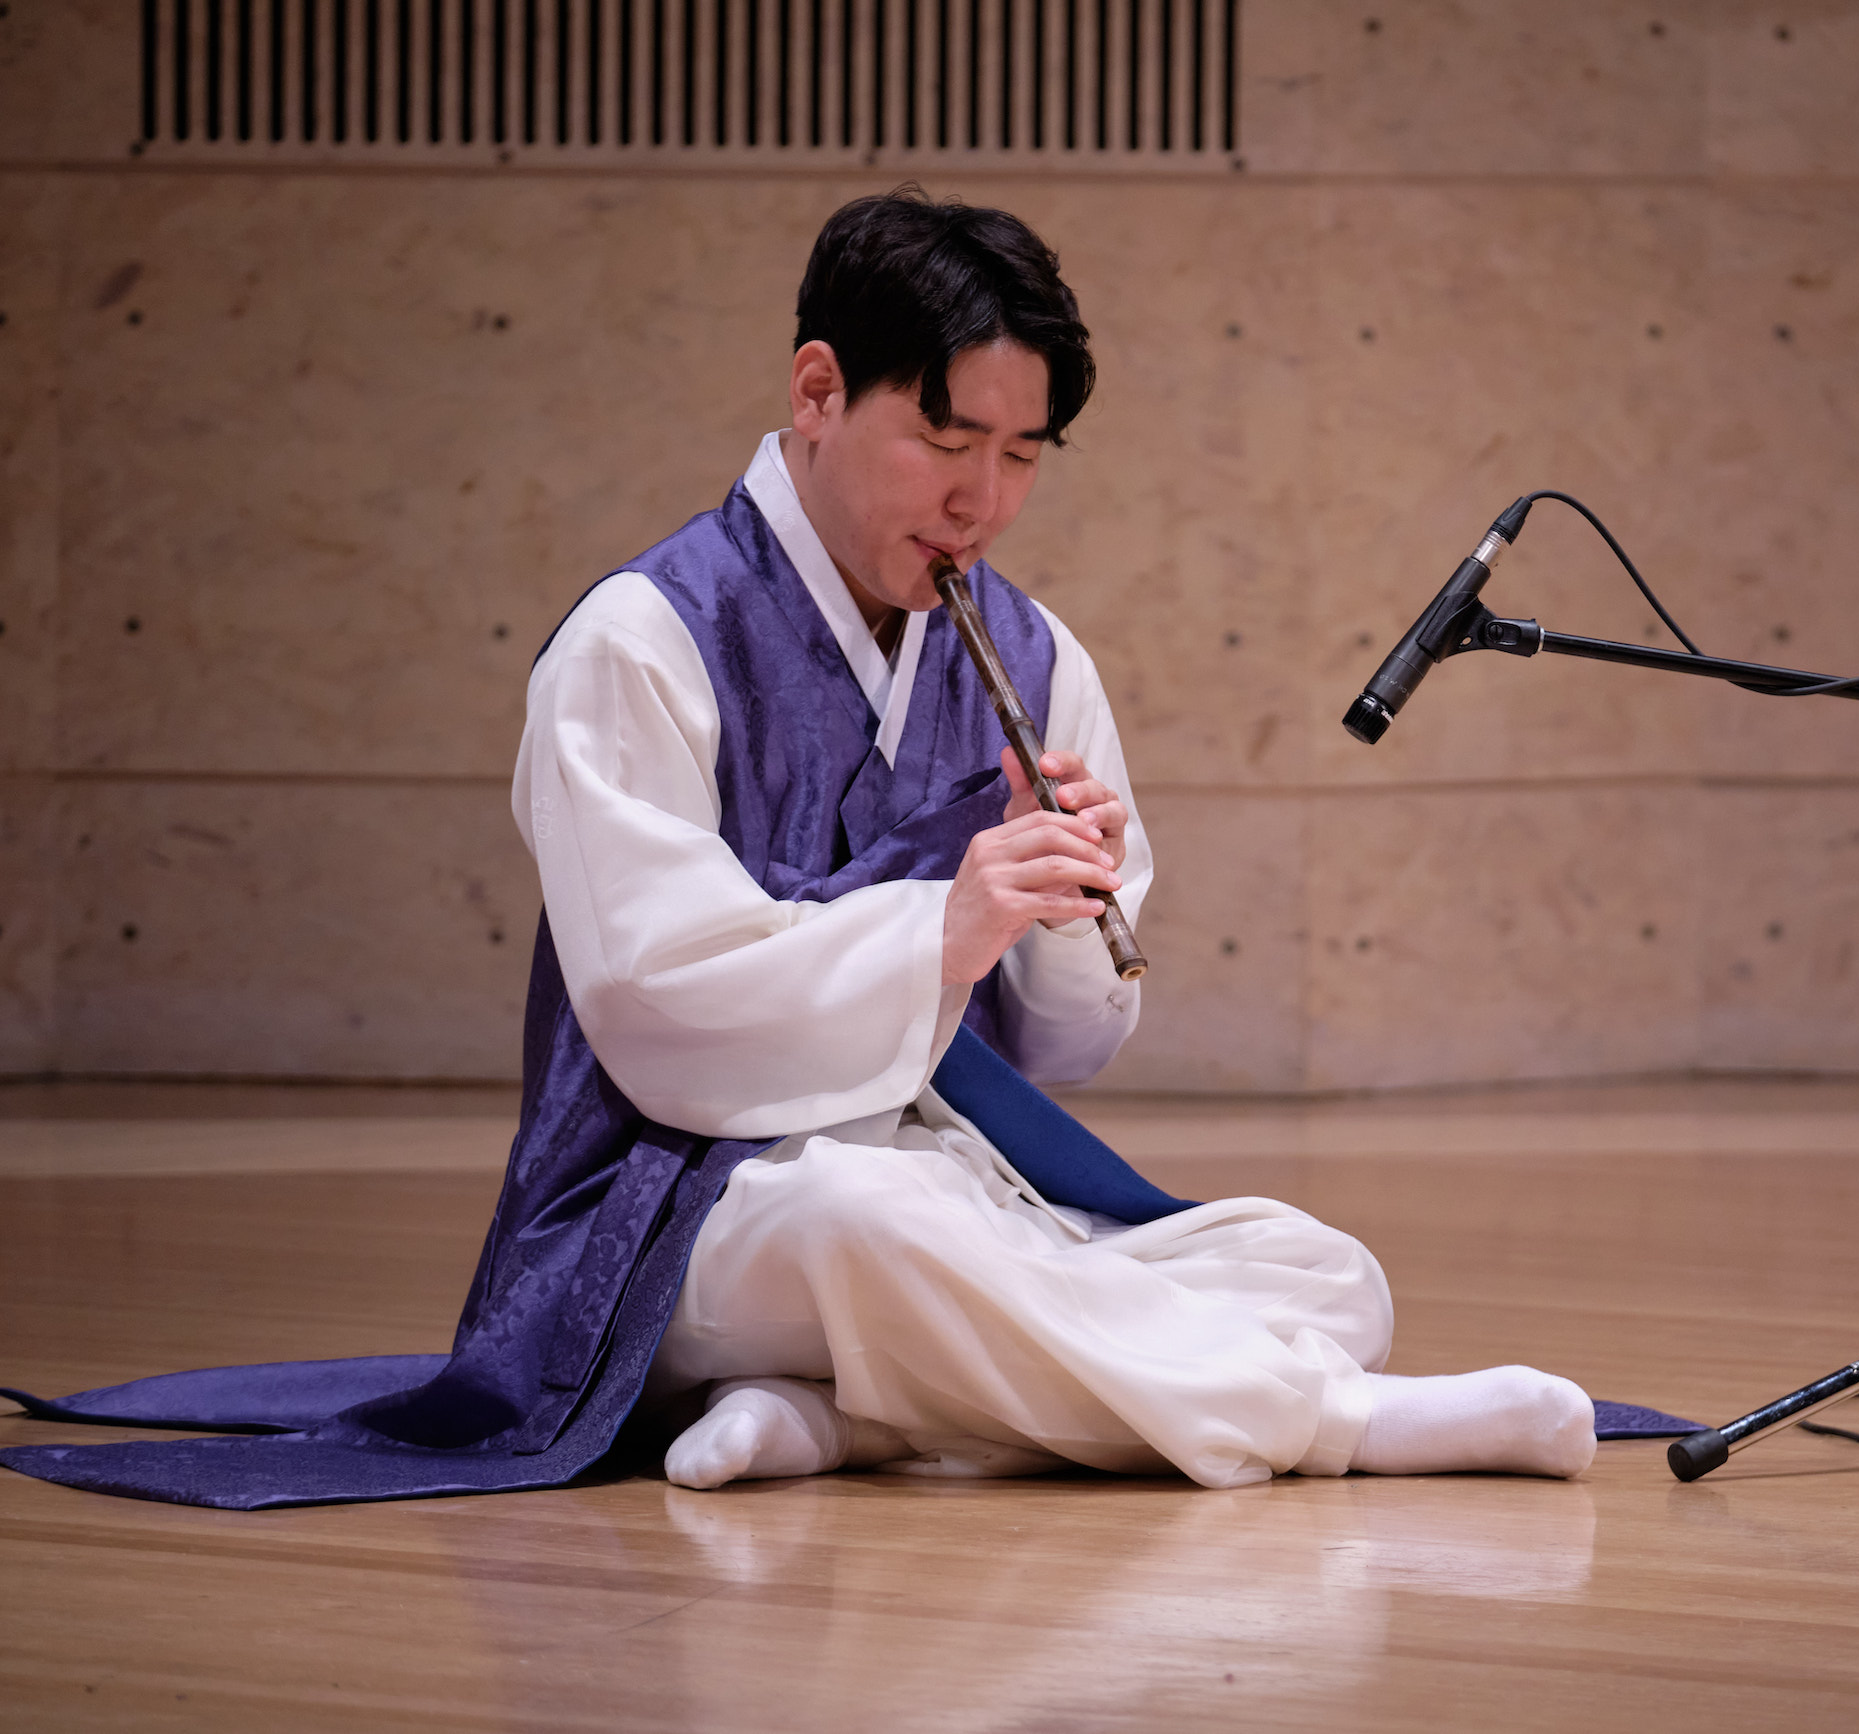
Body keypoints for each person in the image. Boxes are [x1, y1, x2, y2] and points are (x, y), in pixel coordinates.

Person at [0, 190, 1594, 1510]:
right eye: (944, 439)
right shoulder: (637, 644)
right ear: (817, 393)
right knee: (868, 1226)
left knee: (1315, 1260)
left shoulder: (1043, 664)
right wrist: (942, 924)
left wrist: (1055, 913)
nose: (982, 500)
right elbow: (659, 1012)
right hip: (673, 1214)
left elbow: (1071, 1046)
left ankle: (845, 1418)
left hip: (956, 1193)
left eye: (1025, 457)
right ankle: (1334, 1424)